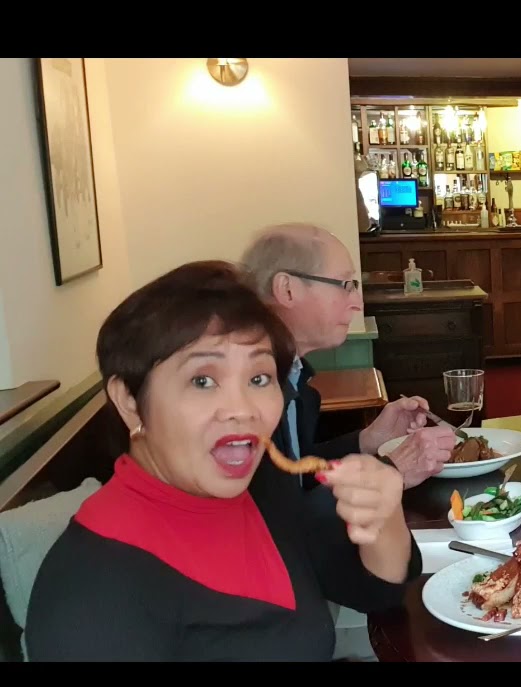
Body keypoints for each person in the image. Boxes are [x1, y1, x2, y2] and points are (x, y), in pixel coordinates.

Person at [24, 261, 423, 661]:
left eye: (259, 378)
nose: (242, 408)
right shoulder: (91, 592)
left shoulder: (263, 485)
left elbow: (375, 593)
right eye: (202, 381)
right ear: (129, 401)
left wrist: (384, 517)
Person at [239, 223, 455, 490]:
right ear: (287, 289)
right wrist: (392, 472)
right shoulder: (252, 392)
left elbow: (301, 472)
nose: (357, 304)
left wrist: (368, 439)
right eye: (345, 285)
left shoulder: (292, 373)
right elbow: (282, 511)